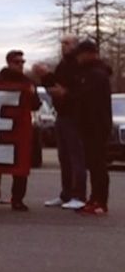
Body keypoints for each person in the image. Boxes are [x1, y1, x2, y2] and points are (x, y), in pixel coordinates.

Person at [43, 35, 87, 210]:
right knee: (64, 157)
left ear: (76, 46)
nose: (63, 46)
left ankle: (79, 194)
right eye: (62, 43)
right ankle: (66, 193)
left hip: (75, 116)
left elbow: (81, 91)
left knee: (76, 157)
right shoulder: (63, 64)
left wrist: (65, 93)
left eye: (67, 43)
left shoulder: (79, 66)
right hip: (61, 114)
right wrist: (46, 77)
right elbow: (57, 84)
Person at [0, 50, 31, 212]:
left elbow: (36, 105)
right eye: (17, 62)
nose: (20, 65)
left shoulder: (27, 82)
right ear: (9, 63)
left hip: (20, 128)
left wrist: (31, 94)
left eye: (22, 62)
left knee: (20, 166)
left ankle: (17, 199)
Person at [73, 40, 111, 216]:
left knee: (98, 165)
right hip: (91, 124)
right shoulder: (91, 72)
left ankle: (100, 201)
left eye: (81, 54)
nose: (78, 58)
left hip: (96, 125)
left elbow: (87, 98)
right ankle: (95, 197)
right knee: (93, 164)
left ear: (89, 54)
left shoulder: (96, 74)